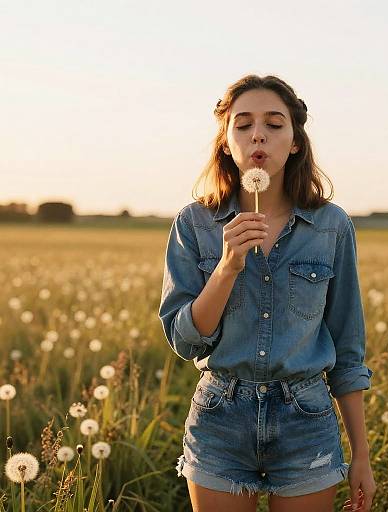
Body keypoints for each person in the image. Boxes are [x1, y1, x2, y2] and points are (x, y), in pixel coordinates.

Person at [158, 74, 376, 512]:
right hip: (221, 415)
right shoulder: (195, 224)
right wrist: (227, 267)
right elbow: (184, 340)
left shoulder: (332, 226)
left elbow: (348, 348)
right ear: (226, 142)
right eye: (243, 124)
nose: (258, 134)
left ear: (295, 141)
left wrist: (362, 457)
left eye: (275, 124)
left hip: (306, 418)